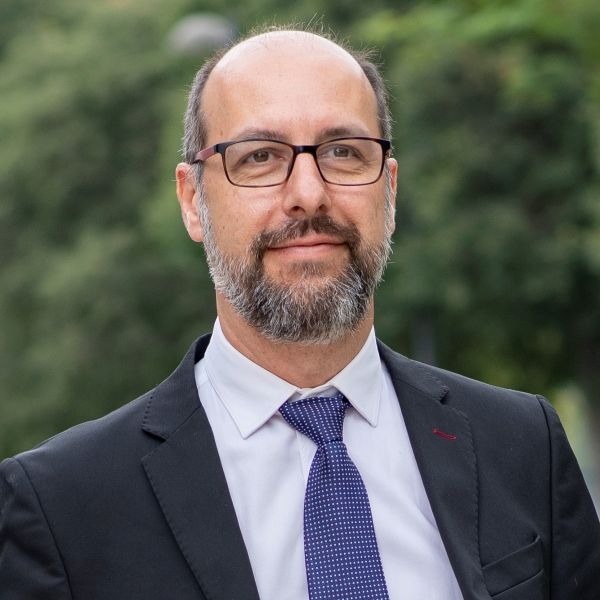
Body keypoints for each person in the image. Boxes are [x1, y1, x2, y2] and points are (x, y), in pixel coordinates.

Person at [1, 27, 599, 600]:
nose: (309, 194)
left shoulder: (524, 446)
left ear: (389, 190)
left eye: (343, 152)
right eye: (259, 156)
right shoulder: (60, 505)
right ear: (191, 200)